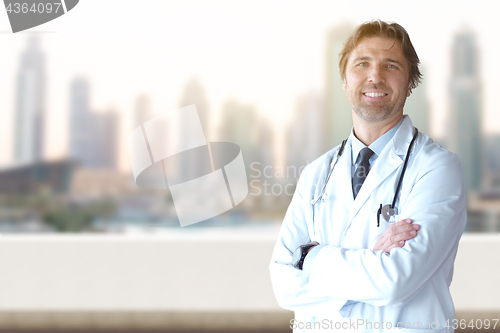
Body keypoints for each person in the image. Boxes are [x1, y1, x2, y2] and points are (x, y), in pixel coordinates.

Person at [269, 19, 467, 333]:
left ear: (410, 83)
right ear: (344, 80)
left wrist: (311, 256)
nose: (375, 76)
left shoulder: (437, 168)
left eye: (391, 65)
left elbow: (394, 282)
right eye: (362, 64)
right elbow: (283, 283)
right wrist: (370, 261)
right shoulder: (316, 173)